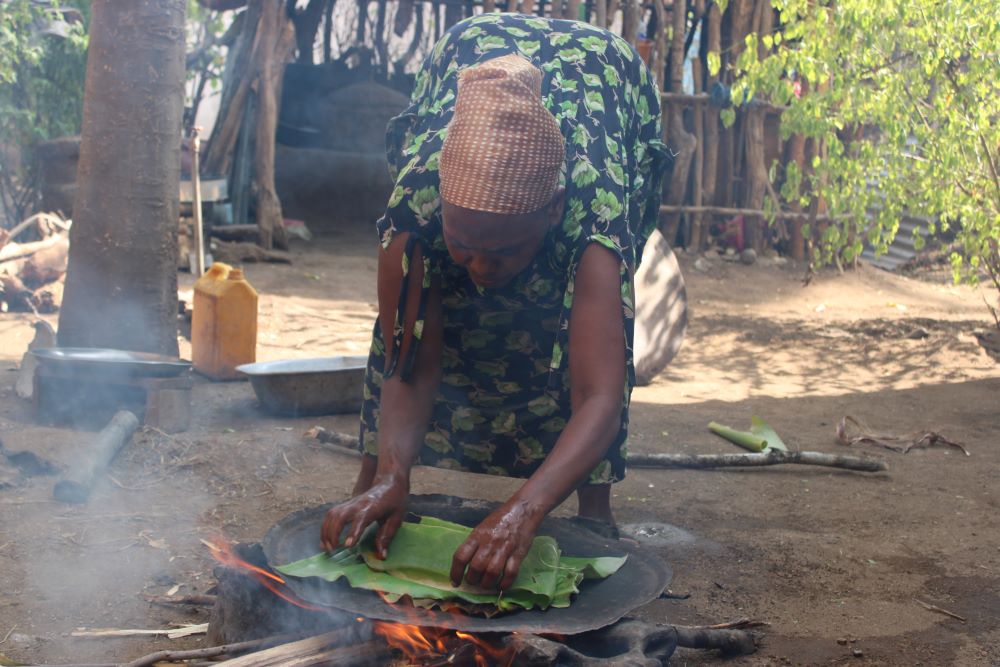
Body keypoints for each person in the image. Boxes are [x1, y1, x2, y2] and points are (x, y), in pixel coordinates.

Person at [321, 12, 668, 592]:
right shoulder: (415, 208)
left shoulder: (594, 216)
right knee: (408, 322)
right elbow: (407, 359)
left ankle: (594, 512)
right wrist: (394, 470)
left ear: (553, 211)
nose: (480, 270)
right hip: (472, 50)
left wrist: (524, 511)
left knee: (595, 340)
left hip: (602, 79)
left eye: (502, 253)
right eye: (463, 246)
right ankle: (379, 486)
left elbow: (598, 394)